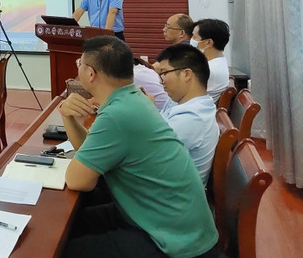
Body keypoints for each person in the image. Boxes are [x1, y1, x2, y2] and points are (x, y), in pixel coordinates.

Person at [59, 36, 219, 258]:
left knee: (59, 247)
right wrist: (67, 116)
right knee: (66, 224)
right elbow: (89, 152)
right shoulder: (133, 98)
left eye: (80, 64)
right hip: (162, 218)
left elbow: (78, 180)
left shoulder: (118, 114)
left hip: (173, 241)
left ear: (90, 73)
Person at [154, 44, 219, 185]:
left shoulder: (191, 118)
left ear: (187, 74)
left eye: (164, 73)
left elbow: (146, 153)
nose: (161, 81)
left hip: (168, 195)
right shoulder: (180, 103)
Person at [191, 18, 230, 103]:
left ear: (208, 42)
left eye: (194, 37)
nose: (191, 40)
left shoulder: (209, 70)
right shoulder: (219, 61)